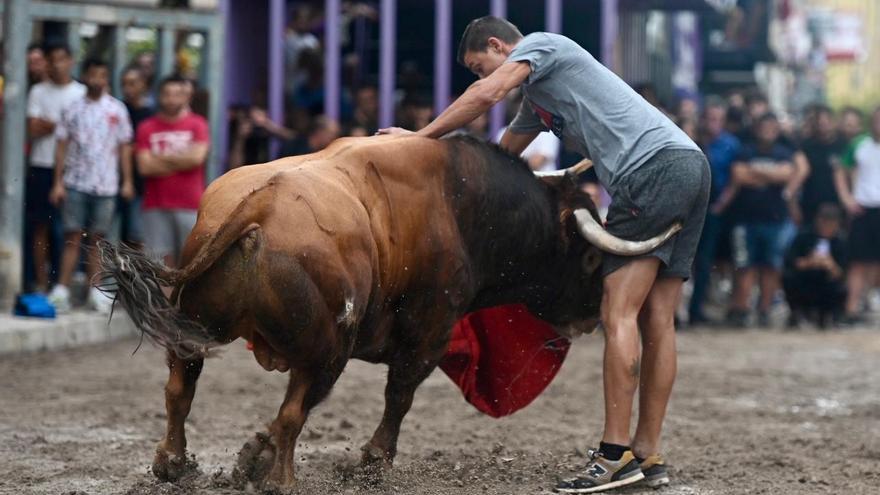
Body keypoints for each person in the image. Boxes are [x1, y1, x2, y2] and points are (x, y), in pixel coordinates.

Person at [380, 17, 709, 492]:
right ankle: (647, 454)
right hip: (687, 164)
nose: (481, 77)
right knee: (657, 318)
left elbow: (486, 96)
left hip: (651, 171)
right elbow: (500, 163)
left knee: (618, 313)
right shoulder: (538, 101)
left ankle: (613, 456)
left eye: (480, 66)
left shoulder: (542, 46)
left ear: (498, 45)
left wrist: (416, 140)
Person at [47, 59, 134, 313]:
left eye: (102, 74)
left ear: (108, 78)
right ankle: (62, 290)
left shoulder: (117, 110)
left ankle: (95, 290)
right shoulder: (72, 108)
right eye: (93, 74)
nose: (97, 79)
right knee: (72, 237)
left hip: (106, 184)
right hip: (75, 181)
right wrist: (58, 182)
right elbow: (61, 145)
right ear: (85, 76)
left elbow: (124, 147)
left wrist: (127, 181)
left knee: (98, 239)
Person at [716, 113, 795, 327]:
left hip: (775, 218)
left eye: (772, 127)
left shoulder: (784, 152)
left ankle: (765, 310)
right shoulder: (745, 150)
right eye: (764, 126)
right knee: (744, 266)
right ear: (756, 128)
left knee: (771, 266)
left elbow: (786, 175)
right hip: (745, 219)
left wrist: (755, 171)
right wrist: (771, 174)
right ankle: (741, 309)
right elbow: (739, 176)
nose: (767, 130)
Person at [26, 43, 86, 294]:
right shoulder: (38, 91)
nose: (57, 64)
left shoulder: (81, 92)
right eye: (53, 60)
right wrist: (64, 126)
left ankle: (64, 285)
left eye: (62, 59)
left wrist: (53, 125)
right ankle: (41, 284)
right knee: (41, 226)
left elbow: (82, 131)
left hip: (75, 169)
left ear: (71, 60)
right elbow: (32, 128)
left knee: (72, 230)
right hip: (42, 165)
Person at [135, 76, 210, 267]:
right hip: (155, 204)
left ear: (186, 97)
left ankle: (184, 299)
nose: (171, 99)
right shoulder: (146, 127)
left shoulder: (198, 124)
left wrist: (158, 159)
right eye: (167, 94)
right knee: (159, 264)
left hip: (190, 204)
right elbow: (144, 166)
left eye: (177, 94)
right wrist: (181, 160)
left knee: (191, 261)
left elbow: (196, 159)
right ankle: (163, 299)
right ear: (159, 96)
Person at [689, 100, 741, 325]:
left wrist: (722, 204)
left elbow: (735, 178)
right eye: (711, 118)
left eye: (719, 119)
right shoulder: (690, 139)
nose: (714, 124)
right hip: (688, 209)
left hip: (713, 210)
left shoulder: (730, 144)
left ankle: (696, 310)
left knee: (705, 261)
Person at [834, 106, 880, 325]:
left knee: (875, 262)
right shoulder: (859, 144)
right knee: (858, 261)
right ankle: (851, 307)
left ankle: (867, 300)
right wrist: (847, 199)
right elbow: (841, 171)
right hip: (863, 208)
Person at [782, 204, 847, 329]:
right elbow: (791, 261)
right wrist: (809, 262)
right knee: (788, 278)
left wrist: (830, 264)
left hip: (826, 282)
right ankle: (797, 313)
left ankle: (829, 316)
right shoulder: (803, 236)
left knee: (839, 287)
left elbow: (842, 272)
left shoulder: (840, 241)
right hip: (804, 278)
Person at [119, 66, 155, 249]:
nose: (128, 89)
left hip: (141, 183)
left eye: (133, 83)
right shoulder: (117, 110)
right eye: (124, 84)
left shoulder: (151, 116)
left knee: (135, 236)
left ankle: (133, 276)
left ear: (143, 85)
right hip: (111, 181)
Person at [792, 105, 847, 226]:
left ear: (834, 122)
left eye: (827, 121)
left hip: (837, 205)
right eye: (820, 122)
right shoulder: (805, 146)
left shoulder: (844, 145)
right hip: (810, 205)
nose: (824, 125)